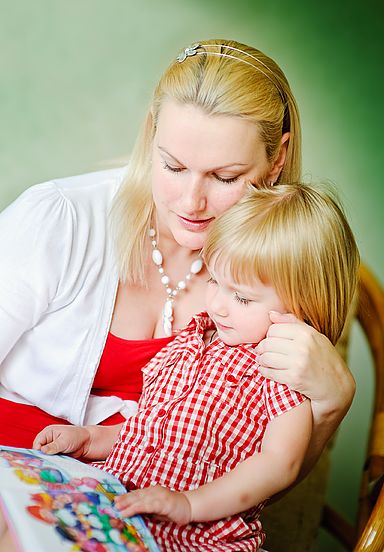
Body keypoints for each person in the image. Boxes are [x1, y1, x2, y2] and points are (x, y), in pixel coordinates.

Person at [0, 38, 355, 475]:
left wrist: (330, 405)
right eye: (172, 166)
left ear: (277, 159)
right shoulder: (61, 218)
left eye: (225, 177)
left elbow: (255, 485)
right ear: (152, 135)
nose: (191, 201)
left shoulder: (278, 278)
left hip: (149, 517)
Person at [30, 183, 360, 552]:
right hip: (124, 513)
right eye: (215, 280)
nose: (218, 304)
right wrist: (92, 439)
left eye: (242, 297)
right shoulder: (194, 339)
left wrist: (190, 504)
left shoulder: (278, 370)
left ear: (304, 308)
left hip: (198, 536)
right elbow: (150, 430)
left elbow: (279, 463)